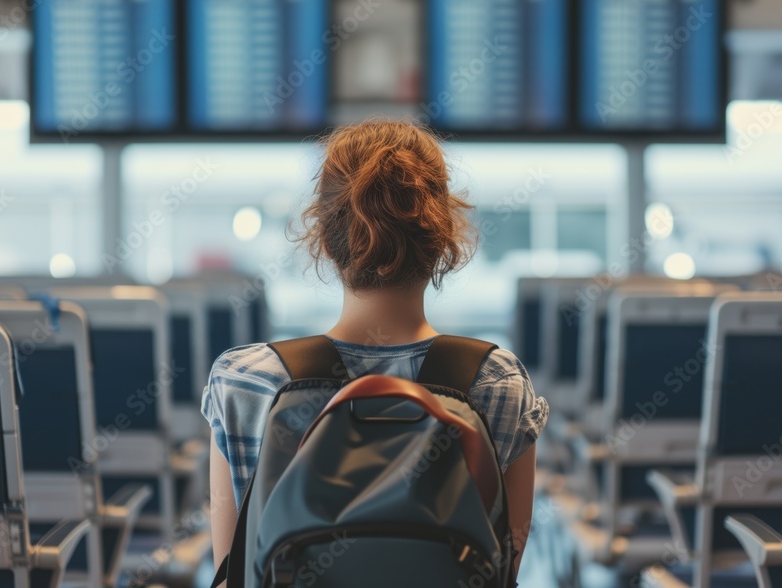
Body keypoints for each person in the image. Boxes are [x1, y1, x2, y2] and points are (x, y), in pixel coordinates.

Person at [201, 119, 549, 577]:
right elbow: (506, 570)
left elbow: (235, 572)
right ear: (443, 241)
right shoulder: (496, 381)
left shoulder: (246, 380)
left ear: (325, 242)